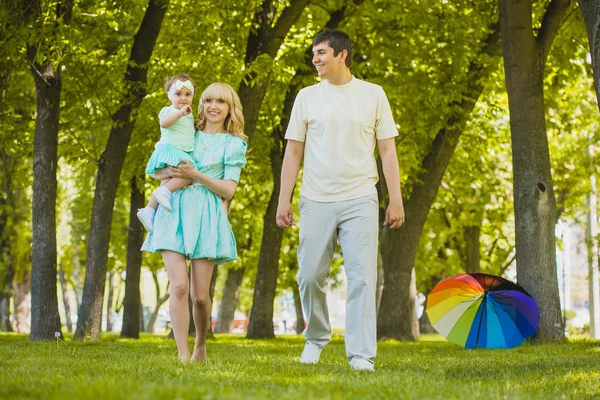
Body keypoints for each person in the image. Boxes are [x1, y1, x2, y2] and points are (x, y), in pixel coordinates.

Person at [276, 29, 405, 372]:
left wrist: (396, 198)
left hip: (361, 196)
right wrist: (283, 200)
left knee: (362, 276)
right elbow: (293, 152)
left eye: (321, 52)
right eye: (314, 53)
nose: (315, 59)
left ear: (342, 55)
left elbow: (387, 150)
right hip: (316, 198)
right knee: (309, 275)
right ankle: (316, 337)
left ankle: (360, 353)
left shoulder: (373, 95)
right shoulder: (306, 97)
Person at [142, 82, 248, 363]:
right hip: (172, 209)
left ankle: (200, 343)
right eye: (208, 100)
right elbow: (158, 170)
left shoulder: (234, 144)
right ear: (200, 104)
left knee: (200, 296)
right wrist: (167, 173)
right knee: (178, 286)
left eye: (221, 102)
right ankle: (182, 353)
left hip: (207, 215)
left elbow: (228, 190)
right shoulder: (186, 130)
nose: (213, 106)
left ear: (230, 108)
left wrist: (196, 174)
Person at [137, 74, 198, 232]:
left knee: (173, 177)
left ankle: (149, 210)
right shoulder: (169, 110)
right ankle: (164, 191)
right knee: (190, 174)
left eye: (187, 94)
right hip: (171, 148)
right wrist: (180, 113)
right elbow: (164, 123)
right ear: (170, 96)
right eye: (178, 94)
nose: (183, 98)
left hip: (181, 150)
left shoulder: (190, 114)